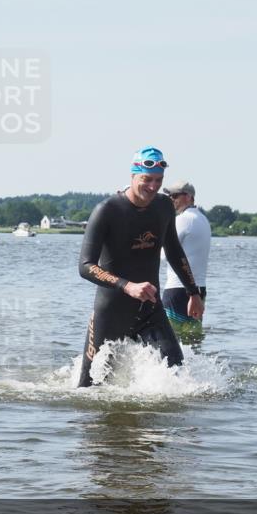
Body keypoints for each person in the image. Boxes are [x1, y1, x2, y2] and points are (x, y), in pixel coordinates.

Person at [76, 146, 203, 388]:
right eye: (147, 179)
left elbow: (174, 251)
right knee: (88, 388)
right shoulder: (107, 210)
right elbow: (85, 266)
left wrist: (193, 293)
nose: (153, 186)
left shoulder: (164, 206)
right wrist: (127, 286)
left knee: (177, 375)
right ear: (133, 176)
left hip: (150, 309)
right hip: (111, 312)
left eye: (158, 180)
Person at [161, 180, 210, 338]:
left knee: (171, 339)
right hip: (199, 290)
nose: (171, 199)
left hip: (178, 288)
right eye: (169, 196)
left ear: (188, 197)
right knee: (193, 340)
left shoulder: (182, 220)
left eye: (175, 196)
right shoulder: (203, 219)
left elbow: (163, 255)